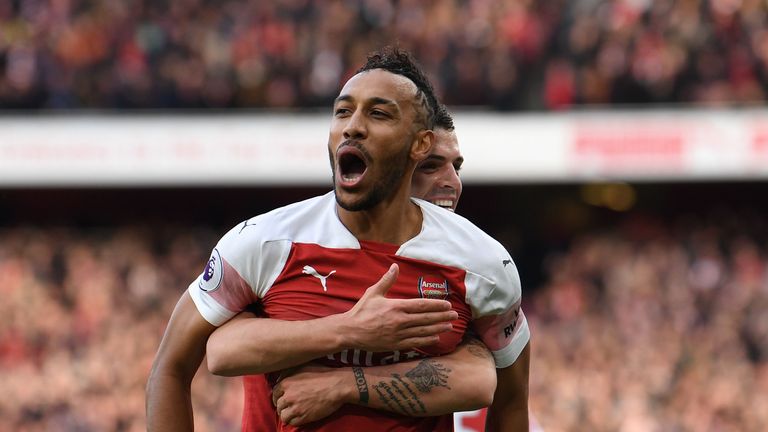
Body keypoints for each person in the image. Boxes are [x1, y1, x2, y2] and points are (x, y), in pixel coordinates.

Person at [147, 47, 529, 431]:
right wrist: (352, 329)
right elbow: (174, 367)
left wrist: (345, 384)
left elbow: (504, 395)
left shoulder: (482, 263)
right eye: (343, 111)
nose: (353, 126)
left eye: (378, 113)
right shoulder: (264, 243)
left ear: (418, 143)